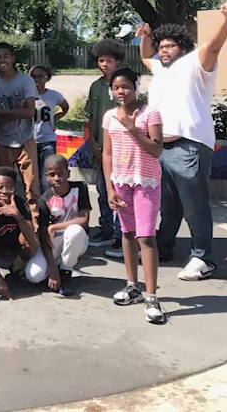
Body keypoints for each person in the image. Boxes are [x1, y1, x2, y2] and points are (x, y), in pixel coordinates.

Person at [137, 0, 227, 280]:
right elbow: (145, 55)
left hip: (190, 146)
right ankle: (164, 247)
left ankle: (203, 258)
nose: (164, 50)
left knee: (194, 205)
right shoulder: (160, 68)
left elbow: (213, 47)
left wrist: (225, 19)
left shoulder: (196, 64)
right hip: (161, 148)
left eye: (170, 46)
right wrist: (146, 36)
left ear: (183, 47)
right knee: (168, 205)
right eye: (162, 46)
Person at [102, 68, 165, 324]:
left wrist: (132, 129)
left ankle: (152, 297)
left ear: (135, 87)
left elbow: (157, 150)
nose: (121, 92)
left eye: (126, 86)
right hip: (121, 182)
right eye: (117, 87)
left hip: (146, 182)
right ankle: (133, 286)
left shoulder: (151, 113)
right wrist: (109, 188)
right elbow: (106, 153)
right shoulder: (108, 117)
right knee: (127, 234)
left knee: (146, 237)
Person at [0, 42, 40, 226]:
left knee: (31, 188)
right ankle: (4, 227)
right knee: (2, 190)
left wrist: (1, 113)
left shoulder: (26, 81)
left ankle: (36, 229)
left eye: (6, 56)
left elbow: (30, 112)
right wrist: (17, 110)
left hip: (25, 141)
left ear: (13, 58)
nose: (2, 60)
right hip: (1, 143)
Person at [27, 154, 90, 295]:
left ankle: (66, 271)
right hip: (53, 243)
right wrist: (52, 270)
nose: (57, 178)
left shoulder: (79, 188)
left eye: (60, 173)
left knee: (74, 231)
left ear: (68, 173)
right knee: (33, 276)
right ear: (47, 177)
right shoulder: (45, 200)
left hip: (76, 239)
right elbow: (45, 238)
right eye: (52, 175)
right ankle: (56, 269)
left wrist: (54, 227)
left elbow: (83, 219)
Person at [0, 166, 41, 299]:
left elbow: (34, 243)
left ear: (14, 189)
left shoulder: (21, 204)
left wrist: (17, 215)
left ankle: (17, 267)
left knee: (28, 239)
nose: (4, 191)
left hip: (14, 250)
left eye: (9, 187)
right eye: (0, 188)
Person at [85, 39, 123, 255]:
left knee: (121, 193)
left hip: (121, 150)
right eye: (101, 60)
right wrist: (92, 143)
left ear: (117, 62)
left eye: (109, 60)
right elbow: (89, 119)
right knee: (102, 191)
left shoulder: (123, 84)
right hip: (100, 148)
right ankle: (106, 229)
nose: (104, 64)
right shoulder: (95, 86)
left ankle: (122, 233)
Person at [29, 65, 69, 192]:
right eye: (34, 76)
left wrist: (56, 118)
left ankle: (48, 205)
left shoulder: (54, 95)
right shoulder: (26, 95)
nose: (37, 79)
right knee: (31, 178)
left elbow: (65, 107)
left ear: (47, 78)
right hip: (30, 140)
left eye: (41, 77)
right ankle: (35, 207)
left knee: (46, 178)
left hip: (47, 140)